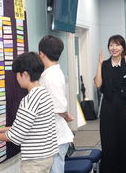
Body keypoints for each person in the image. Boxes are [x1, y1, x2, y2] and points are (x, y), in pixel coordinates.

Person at [0, 52, 58, 173]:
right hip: (46, 156)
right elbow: (26, 127)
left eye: (17, 74)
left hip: (35, 161)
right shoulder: (44, 94)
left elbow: (15, 136)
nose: (16, 78)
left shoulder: (29, 100)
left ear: (25, 74)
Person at [94, 34, 126, 173]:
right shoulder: (105, 64)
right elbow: (98, 84)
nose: (114, 48)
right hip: (109, 106)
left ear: (123, 47)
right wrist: (99, 65)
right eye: (111, 45)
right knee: (109, 140)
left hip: (125, 106)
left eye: (117, 45)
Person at [38, 35, 74, 173]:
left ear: (42, 54)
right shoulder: (51, 73)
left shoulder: (50, 77)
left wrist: (67, 116)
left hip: (56, 138)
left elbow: (60, 107)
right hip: (53, 137)